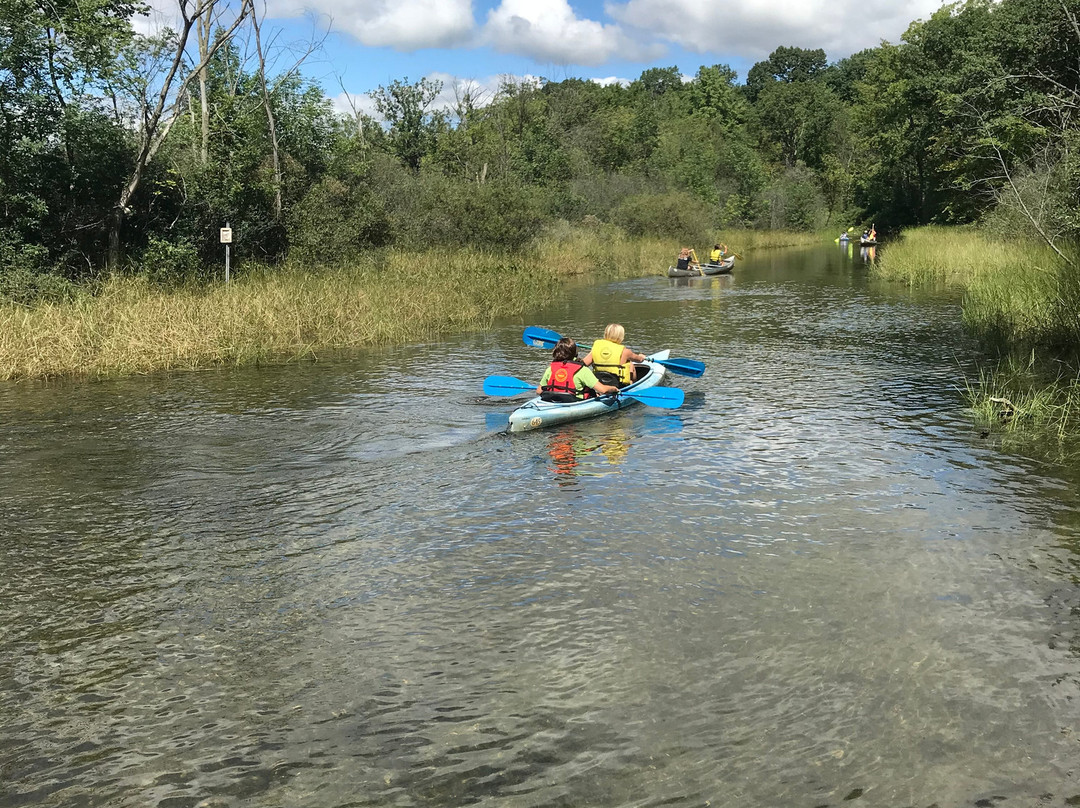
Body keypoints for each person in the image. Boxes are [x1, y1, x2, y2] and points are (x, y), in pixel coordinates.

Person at [538, 338, 619, 402]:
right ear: (574, 353)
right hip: (576, 402)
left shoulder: (550, 369)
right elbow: (603, 390)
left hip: (552, 401)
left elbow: (539, 391)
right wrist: (613, 389)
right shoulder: (582, 370)